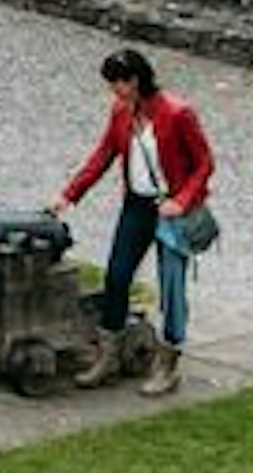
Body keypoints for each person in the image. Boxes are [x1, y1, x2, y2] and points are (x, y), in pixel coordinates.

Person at [47, 46, 215, 398]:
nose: (114, 92)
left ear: (135, 80)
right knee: (117, 275)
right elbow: (103, 155)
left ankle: (167, 363)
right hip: (137, 206)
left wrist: (181, 200)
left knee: (171, 287)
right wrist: (69, 194)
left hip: (172, 210)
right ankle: (108, 354)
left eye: (118, 84)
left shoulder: (178, 113)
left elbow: (204, 163)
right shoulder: (121, 112)